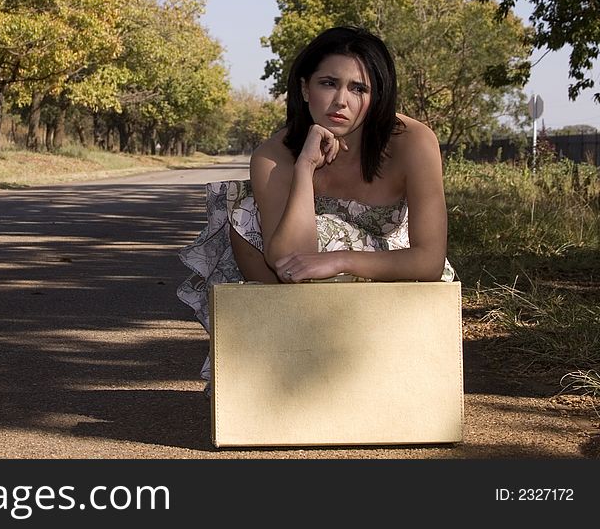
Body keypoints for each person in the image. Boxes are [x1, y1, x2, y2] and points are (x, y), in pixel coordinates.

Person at [177, 25, 455, 381]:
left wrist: (339, 260)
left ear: (377, 97)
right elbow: (287, 261)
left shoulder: (413, 141)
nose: (341, 100)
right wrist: (304, 168)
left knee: (322, 234)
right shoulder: (274, 155)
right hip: (297, 300)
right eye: (328, 83)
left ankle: (370, 369)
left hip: (390, 283)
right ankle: (290, 365)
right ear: (305, 88)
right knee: (243, 211)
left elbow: (430, 261)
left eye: (359, 88)